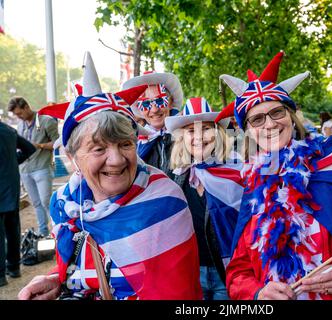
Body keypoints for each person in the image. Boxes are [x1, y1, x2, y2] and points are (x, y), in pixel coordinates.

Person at [17, 52, 202, 300]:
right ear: (72, 158)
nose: (116, 160)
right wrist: (57, 281)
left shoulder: (164, 203)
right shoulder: (66, 203)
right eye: (99, 148)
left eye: (125, 144)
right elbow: (92, 265)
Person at [215, 51, 332, 300]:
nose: (269, 124)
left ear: (291, 115)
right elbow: (237, 272)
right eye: (256, 119)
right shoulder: (255, 186)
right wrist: (257, 293)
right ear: (248, 132)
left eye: (276, 112)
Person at [165, 97, 243, 300]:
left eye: (206, 128)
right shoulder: (176, 176)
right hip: (191, 273)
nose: (199, 136)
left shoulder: (238, 172)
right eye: (191, 131)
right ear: (183, 137)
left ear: (218, 133)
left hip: (227, 272)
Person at [7, 97, 60, 237]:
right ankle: (43, 231)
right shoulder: (20, 125)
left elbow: (58, 143)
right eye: (16, 115)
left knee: (46, 201)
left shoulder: (46, 121)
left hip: (42, 167)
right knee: (36, 203)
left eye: (20, 114)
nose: (19, 117)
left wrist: (40, 146)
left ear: (26, 107)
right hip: (25, 170)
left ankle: (58, 230)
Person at [121, 71, 184, 179]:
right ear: (139, 109)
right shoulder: (134, 143)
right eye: (146, 104)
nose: (154, 110)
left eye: (160, 101)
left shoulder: (187, 134)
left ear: (171, 102)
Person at [0, 121, 36, 287]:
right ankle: (14, 268)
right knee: (12, 227)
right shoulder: (9, 131)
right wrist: (15, 161)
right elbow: (30, 148)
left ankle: (1, 275)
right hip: (10, 185)